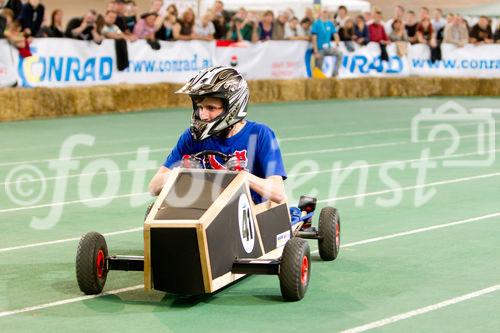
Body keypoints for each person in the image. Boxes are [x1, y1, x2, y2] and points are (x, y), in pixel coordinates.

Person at [148, 66, 287, 205]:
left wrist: (241, 176)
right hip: (207, 212)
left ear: (233, 108)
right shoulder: (192, 136)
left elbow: (278, 193)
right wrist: (181, 173)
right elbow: (154, 187)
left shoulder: (260, 134)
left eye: (211, 108)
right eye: (200, 107)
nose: (203, 115)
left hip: (251, 214)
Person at [311, 9, 343, 77]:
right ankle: (319, 79)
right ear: (320, 13)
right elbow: (314, 38)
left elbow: (335, 35)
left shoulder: (330, 23)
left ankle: (334, 74)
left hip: (328, 48)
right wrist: (315, 51)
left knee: (339, 53)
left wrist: (337, 44)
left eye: (326, 12)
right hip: (319, 49)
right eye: (324, 12)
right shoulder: (316, 23)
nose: (325, 14)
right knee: (318, 67)